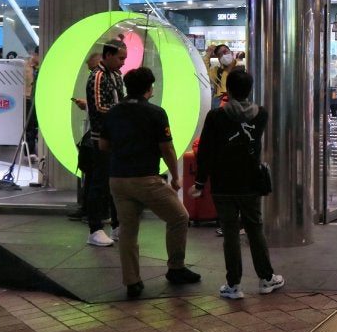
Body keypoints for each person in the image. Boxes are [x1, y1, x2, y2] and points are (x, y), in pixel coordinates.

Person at [101, 66, 200, 300]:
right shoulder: (156, 113)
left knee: (128, 230)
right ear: (149, 88)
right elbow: (167, 148)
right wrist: (176, 177)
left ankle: (132, 282)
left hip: (118, 179)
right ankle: (176, 268)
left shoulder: (113, 112)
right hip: (145, 179)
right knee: (179, 217)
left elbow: (103, 146)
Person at [192, 67, 283, 302]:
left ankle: (233, 284)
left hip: (223, 182)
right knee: (255, 228)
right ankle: (266, 278)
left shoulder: (216, 116)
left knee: (230, 232)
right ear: (250, 90)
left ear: (228, 90)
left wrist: (200, 182)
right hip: (251, 181)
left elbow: (206, 152)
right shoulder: (260, 114)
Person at [83, 42, 125, 247]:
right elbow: (98, 106)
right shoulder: (97, 76)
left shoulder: (117, 75)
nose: (122, 62)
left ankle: (117, 226)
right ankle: (95, 228)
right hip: (101, 138)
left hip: (116, 137)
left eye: (124, 58)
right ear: (107, 55)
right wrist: (123, 110)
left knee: (116, 183)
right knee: (99, 184)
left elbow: (121, 100)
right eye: (120, 58)